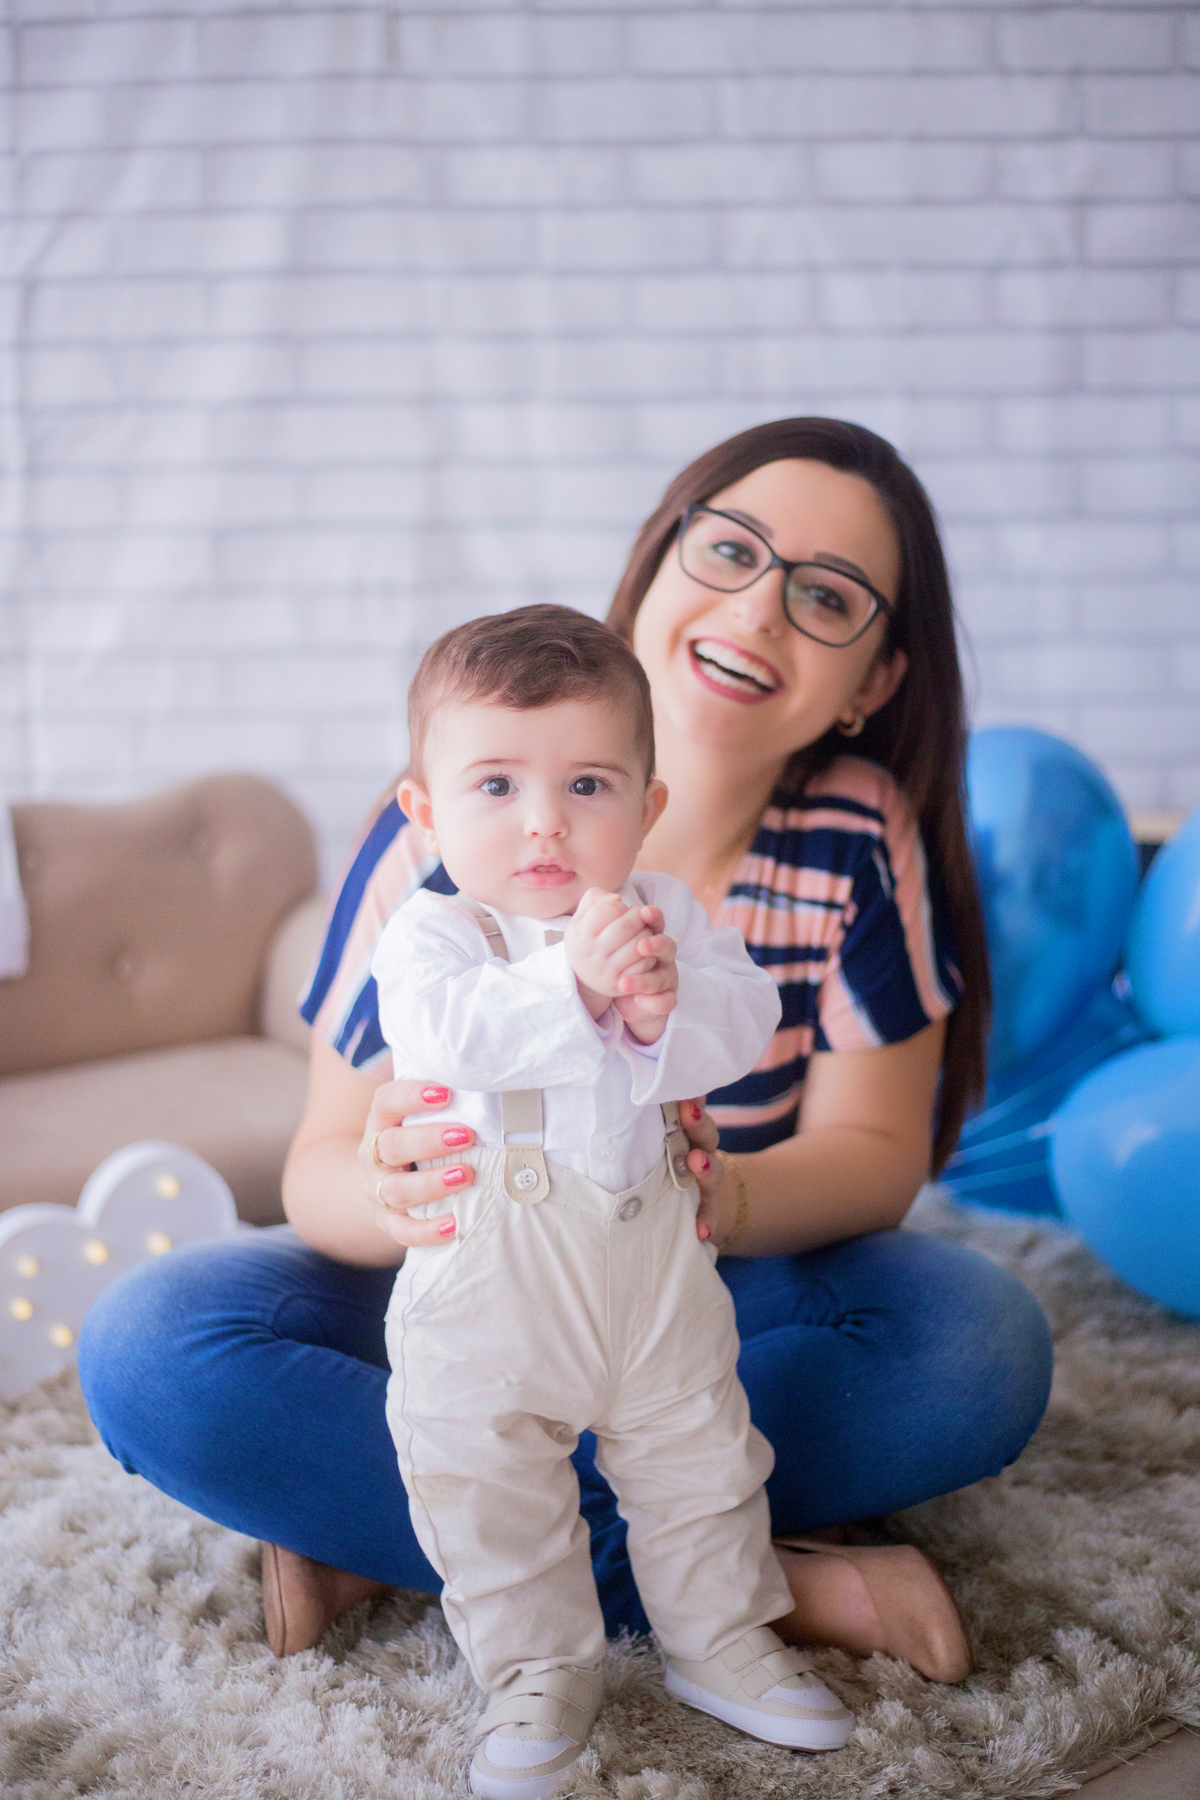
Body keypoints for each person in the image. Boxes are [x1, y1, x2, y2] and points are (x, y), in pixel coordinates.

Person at [77, 417, 1053, 1718]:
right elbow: (322, 1166)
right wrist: (392, 1186)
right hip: (469, 1283)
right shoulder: (438, 821)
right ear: (652, 569)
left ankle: (415, 1545)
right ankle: (742, 1583)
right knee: (155, 1341)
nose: (758, 606)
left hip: (696, 1297)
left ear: (872, 681)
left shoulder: (853, 838)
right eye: (731, 550)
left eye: (823, 596)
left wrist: (725, 1194)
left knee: (972, 1344)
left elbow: (876, 1159)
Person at [373, 606, 852, 1795]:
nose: (544, 820)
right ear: (425, 810)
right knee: (484, 1477)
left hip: (651, 1267)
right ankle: (536, 1667)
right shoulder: (433, 935)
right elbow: (445, 1035)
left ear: (646, 808)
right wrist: (578, 990)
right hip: (488, 1281)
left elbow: (747, 1023)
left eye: (587, 784)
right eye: (495, 785)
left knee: (703, 1459)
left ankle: (720, 1638)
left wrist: (661, 1011)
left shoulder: (667, 918)